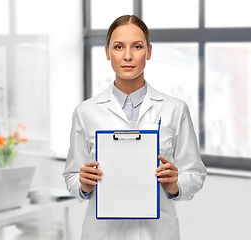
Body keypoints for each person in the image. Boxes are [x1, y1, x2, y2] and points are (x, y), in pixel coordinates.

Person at [63, 15, 207, 240]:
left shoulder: (175, 109)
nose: (127, 56)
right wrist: (82, 184)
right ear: (107, 52)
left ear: (148, 51)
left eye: (137, 46)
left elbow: (196, 174)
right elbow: (72, 176)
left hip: (157, 232)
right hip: (104, 233)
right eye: (119, 47)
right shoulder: (86, 112)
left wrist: (175, 184)